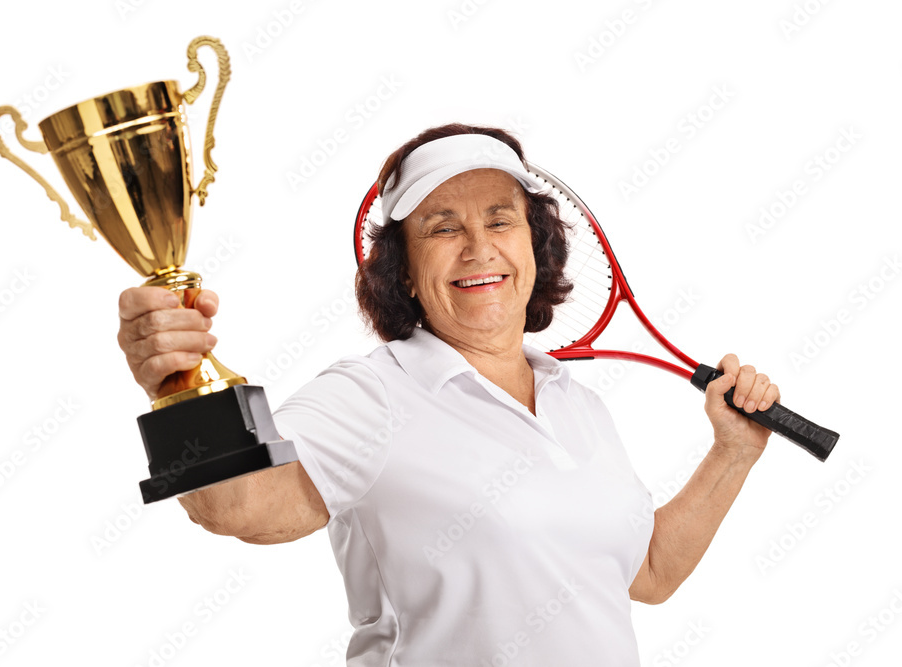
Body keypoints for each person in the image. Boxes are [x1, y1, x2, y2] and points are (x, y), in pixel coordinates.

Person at [117, 124, 781, 665]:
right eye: (441, 227)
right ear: (404, 272)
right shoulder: (369, 395)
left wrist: (733, 451)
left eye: (500, 221)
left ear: (536, 246)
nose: (477, 248)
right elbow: (235, 508)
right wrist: (175, 384)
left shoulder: (579, 404)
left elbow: (651, 574)